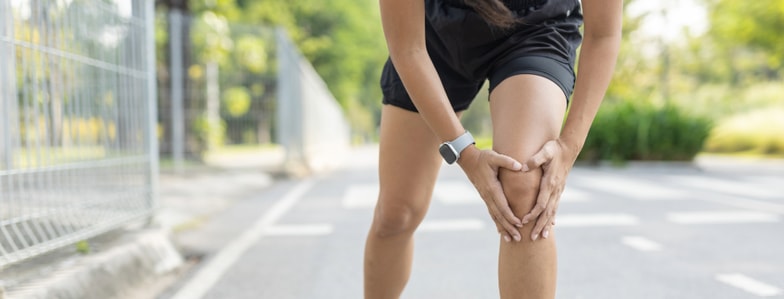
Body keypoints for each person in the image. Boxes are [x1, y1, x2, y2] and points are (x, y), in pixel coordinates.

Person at [364, 0, 622, 297]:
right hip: (433, 33)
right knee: (397, 215)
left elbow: (604, 34)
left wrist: (569, 146)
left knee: (526, 183)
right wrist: (465, 154)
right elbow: (409, 49)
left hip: (534, 28)